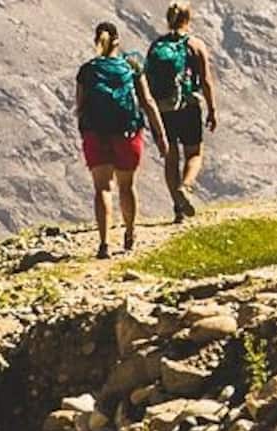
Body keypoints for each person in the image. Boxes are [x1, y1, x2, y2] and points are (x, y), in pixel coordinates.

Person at [76, 22, 169, 259]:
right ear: (118, 40)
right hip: (127, 135)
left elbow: (80, 106)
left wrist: (86, 133)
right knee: (126, 186)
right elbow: (147, 101)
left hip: (96, 135)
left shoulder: (87, 71)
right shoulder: (132, 66)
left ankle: (104, 243)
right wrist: (160, 135)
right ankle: (129, 234)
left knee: (102, 188)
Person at [147, 2, 219, 223]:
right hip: (188, 107)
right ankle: (185, 188)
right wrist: (212, 109)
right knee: (194, 154)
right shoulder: (195, 45)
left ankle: (178, 209)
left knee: (171, 158)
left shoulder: (156, 46)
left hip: (163, 110)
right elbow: (205, 81)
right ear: (188, 19)